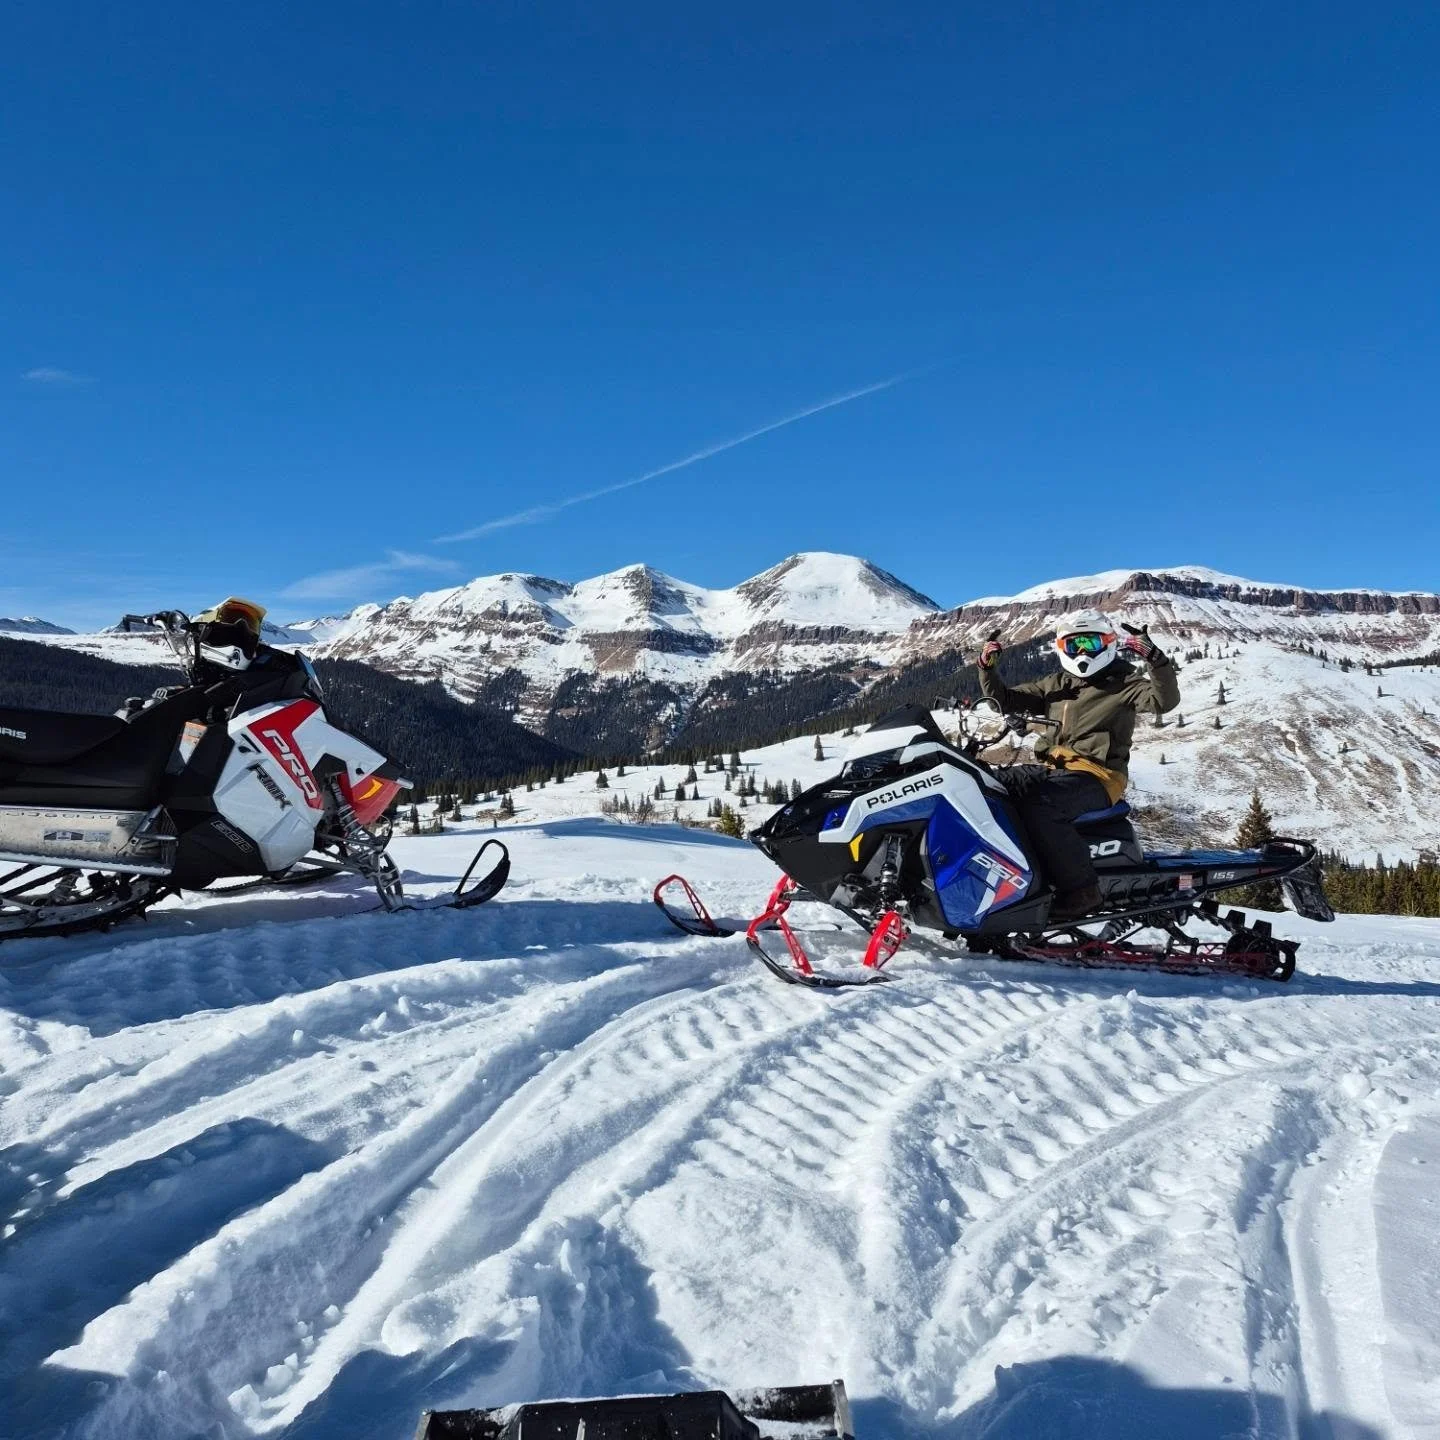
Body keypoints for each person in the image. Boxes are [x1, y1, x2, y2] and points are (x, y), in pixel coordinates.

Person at [977, 609, 1180, 918]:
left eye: (1091, 643)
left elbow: (1163, 701)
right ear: (1062, 648)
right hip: (1052, 770)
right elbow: (1004, 698)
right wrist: (987, 667)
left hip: (1099, 775)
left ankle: (1082, 891)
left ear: (1109, 644)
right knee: (986, 785)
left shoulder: (1125, 681)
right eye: (1075, 645)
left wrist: (1156, 661)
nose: (1083, 652)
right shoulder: (1056, 683)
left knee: (1040, 806)